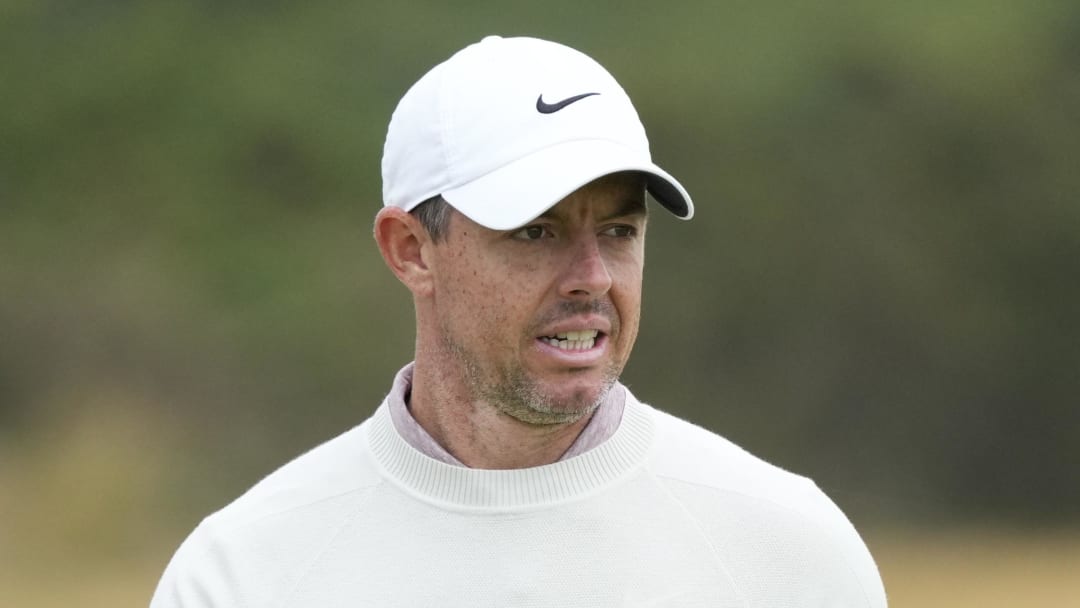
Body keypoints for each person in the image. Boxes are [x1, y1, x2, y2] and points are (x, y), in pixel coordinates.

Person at [150, 35, 887, 607]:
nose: (593, 277)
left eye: (621, 231)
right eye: (537, 231)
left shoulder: (790, 553)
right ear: (410, 250)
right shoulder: (243, 574)